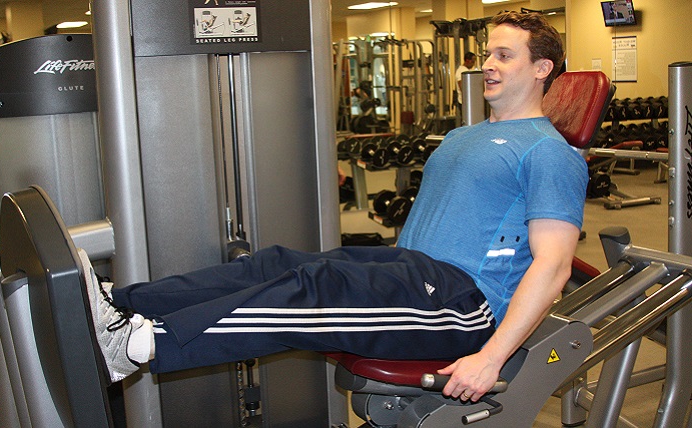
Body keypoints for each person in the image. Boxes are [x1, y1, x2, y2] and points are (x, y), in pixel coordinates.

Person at [84, 10, 586, 403]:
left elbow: (554, 262)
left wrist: (492, 358)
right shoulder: (464, 134)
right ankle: (122, 302)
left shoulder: (549, 152)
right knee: (275, 262)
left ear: (542, 69)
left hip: (461, 304)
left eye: (504, 56)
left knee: (313, 289)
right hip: (411, 272)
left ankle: (142, 346)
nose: (488, 66)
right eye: (487, 54)